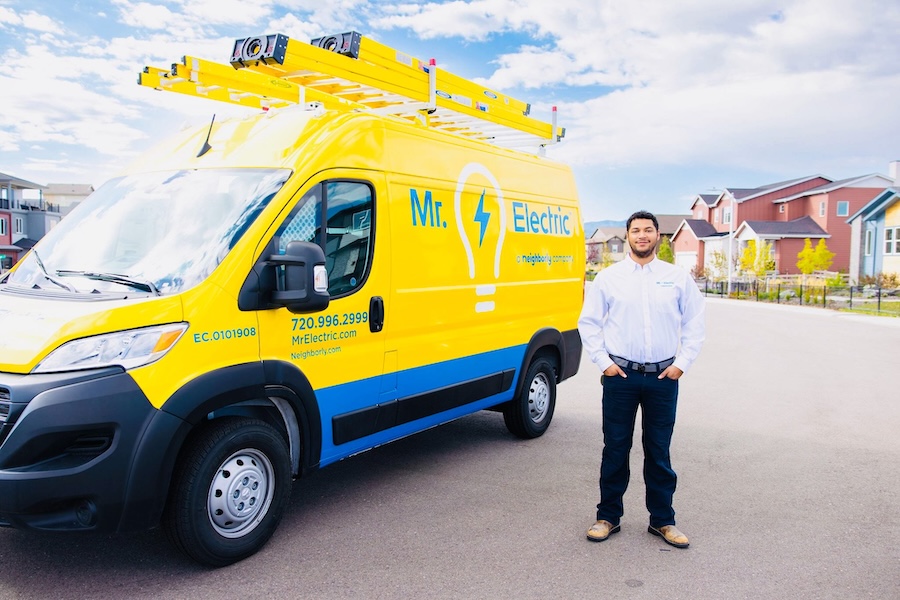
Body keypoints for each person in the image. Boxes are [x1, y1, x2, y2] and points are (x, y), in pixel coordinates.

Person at [578, 210, 705, 549]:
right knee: (616, 447)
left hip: (664, 377)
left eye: (648, 230)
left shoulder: (677, 278)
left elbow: (695, 323)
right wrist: (603, 363)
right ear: (628, 236)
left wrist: (682, 363)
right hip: (621, 377)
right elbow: (588, 323)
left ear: (658, 236)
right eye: (636, 231)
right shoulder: (609, 278)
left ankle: (663, 520)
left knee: (658, 450)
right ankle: (607, 517)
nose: (642, 235)